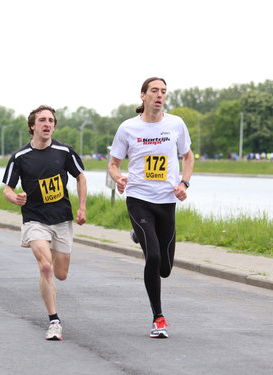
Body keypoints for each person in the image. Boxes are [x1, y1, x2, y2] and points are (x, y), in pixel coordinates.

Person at [108, 77, 194, 339]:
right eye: (154, 91)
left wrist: (184, 183)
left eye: (163, 92)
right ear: (143, 96)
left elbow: (188, 156)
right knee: (153, 257)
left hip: (166, 201)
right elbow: (113, 164)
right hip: (139, 198)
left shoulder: (176, 124)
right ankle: (158, 317)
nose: (159, 95)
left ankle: (138, 235)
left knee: (165, 268)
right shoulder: (128, 128)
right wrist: (118, 178)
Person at [2, 105, 87, 341]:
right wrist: (15, 198)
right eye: (42, 120)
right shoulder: (20, 157)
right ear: (33, 126)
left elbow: (80, 176)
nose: (47, 124)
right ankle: (54, 321)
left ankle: (51, 282)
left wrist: (81, 207)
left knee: (61, 274)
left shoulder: (64, 151)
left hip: (61, 218)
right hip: (34, 219)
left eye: (51, 120)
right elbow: (7, 189)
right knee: (46, 267)